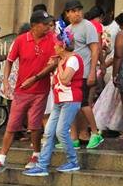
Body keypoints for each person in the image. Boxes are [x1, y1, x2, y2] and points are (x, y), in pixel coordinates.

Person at [0, 10, 57, 176]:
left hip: (40, 90)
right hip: (21, 90)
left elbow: (53, 63)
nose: (48, 26)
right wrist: (5, 81)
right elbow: (9, 61)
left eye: (49, 23)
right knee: (12, 125)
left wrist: (35, 78)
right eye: (44, 23)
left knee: (34, 125)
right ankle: (1, 159)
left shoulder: (52, 39)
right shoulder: (21, 40)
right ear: (34, 26)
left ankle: (36, 155)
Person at [24, 24, 84, 176]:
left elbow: (65, 80)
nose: (54, 48)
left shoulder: (73, 59)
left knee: (61, 132)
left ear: (63, 46)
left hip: (70, 100)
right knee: (49, 132)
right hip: (59, 101)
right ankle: (42, 165)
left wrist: (59, 64)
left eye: (56, 45)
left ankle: (73, 161)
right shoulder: (63, 60)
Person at [63, 0, 104, 149]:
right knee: (71, 105)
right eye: (72, 11)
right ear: (67, 14)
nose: (76, 13)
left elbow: (95, 49)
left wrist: (93, 71)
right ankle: (73, 138)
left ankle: (95, 133)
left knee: (84, 103)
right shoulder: (67, 29)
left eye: (79, 10)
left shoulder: (88, 26)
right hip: (70, 72)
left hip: (85, 71)